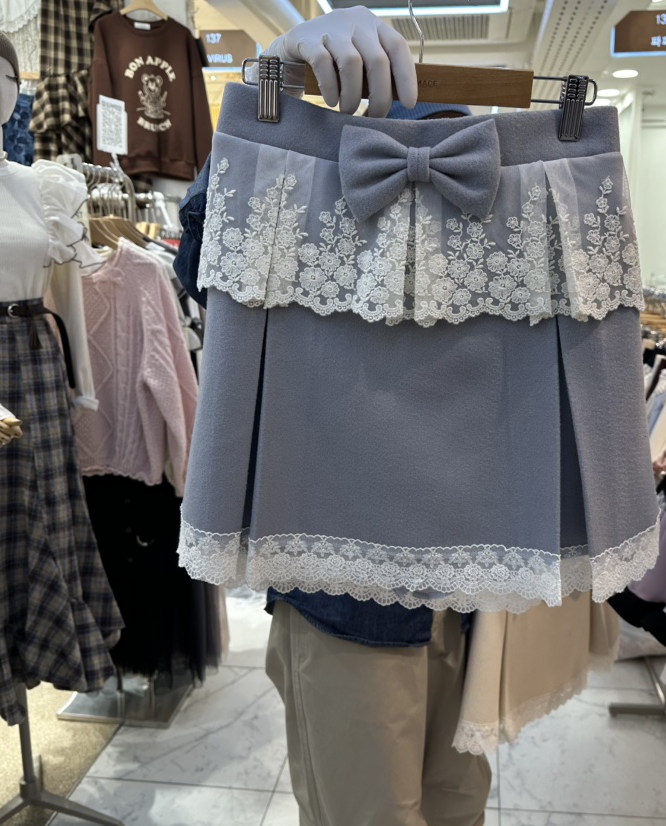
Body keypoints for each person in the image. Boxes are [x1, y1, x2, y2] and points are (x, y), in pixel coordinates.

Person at [175, 9, 493, 825]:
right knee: (364, 811)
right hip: (345, 582)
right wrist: (268, 90)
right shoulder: (306, 190)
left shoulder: (499, 189)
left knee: (460, 804)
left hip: (478, 579)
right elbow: (205, 263)